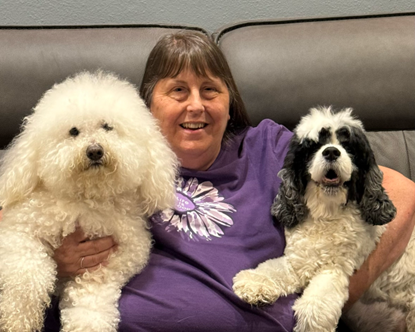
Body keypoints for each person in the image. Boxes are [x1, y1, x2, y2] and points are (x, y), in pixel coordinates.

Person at [15, 31, 415, 331]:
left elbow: (402, 192)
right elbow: (14, 213)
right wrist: (49, 256)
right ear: (147, 105)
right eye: (177, 91)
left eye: (210, 90)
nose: (196, 105)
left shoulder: (267, 146)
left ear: (229, 102)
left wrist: (337, 290)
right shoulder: (111, 158)